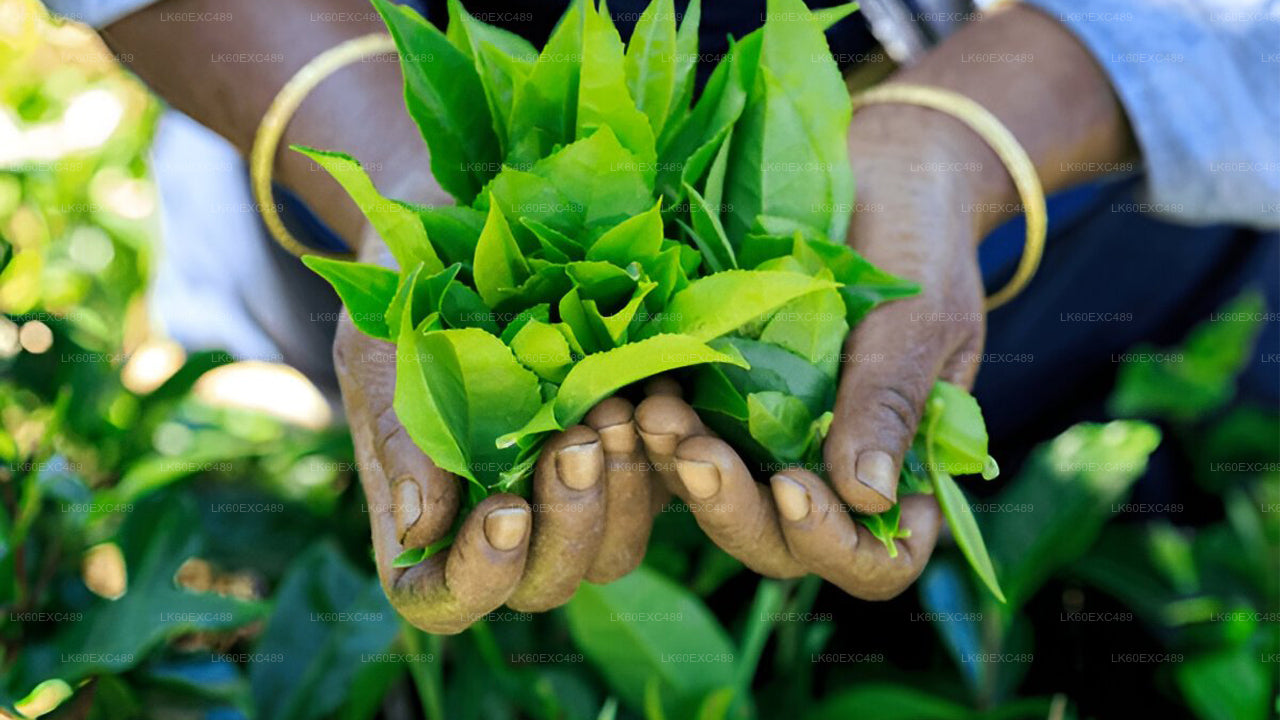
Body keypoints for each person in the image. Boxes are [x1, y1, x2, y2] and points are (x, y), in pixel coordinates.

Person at [43, 0, 1279, 633]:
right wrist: (382, 169)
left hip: (1068, 184)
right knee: (304, 444)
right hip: (334, 85)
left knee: (1142, 485)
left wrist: (954, 143)